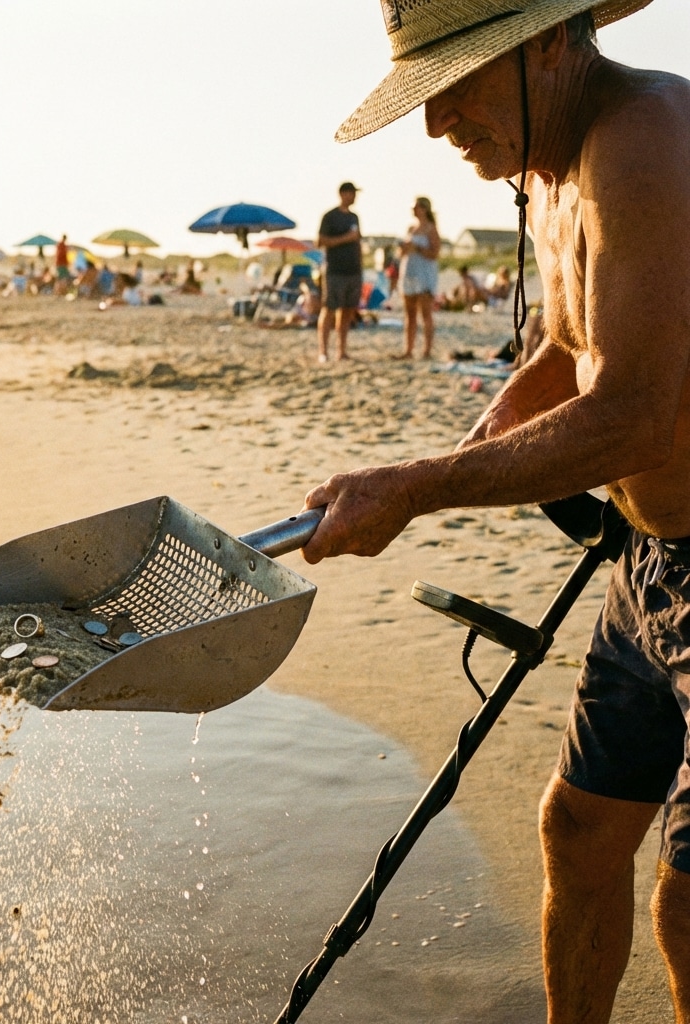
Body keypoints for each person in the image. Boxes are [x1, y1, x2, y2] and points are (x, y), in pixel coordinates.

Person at [308, 4, 690, 1021]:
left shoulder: (644, 135)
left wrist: (421, 485)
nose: (437, 127)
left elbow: (639, 417)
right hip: (650, 563)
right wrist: (463, 448)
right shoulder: (548, 163)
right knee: (577, 833)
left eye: (458, 83)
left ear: (550, 42)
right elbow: (570, 347)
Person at [316, 181, 363, 362]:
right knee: (329, 309)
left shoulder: (354, 217)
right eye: (352, 193)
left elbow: (357, 241)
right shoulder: (330, 216)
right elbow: (320, 241)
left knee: (347, 311)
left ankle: (341, 351)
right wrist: (345, 238)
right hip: (335, 269)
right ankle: (323, 351)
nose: (354, 197)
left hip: (353, 270)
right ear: (344, 194)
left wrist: (360, 266)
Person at [396, 196, 441, 358]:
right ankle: (408, 349)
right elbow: (401, 254)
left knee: (425, 313)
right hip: (409, 272)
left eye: (416, 207)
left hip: (424, 274)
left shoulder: (431, 229)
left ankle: (427, 350)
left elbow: (435, 253)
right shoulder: (410, 229)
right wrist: (403, 249)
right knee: (409, 313)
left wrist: (418, 248)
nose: (414, 210)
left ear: (424, 209)